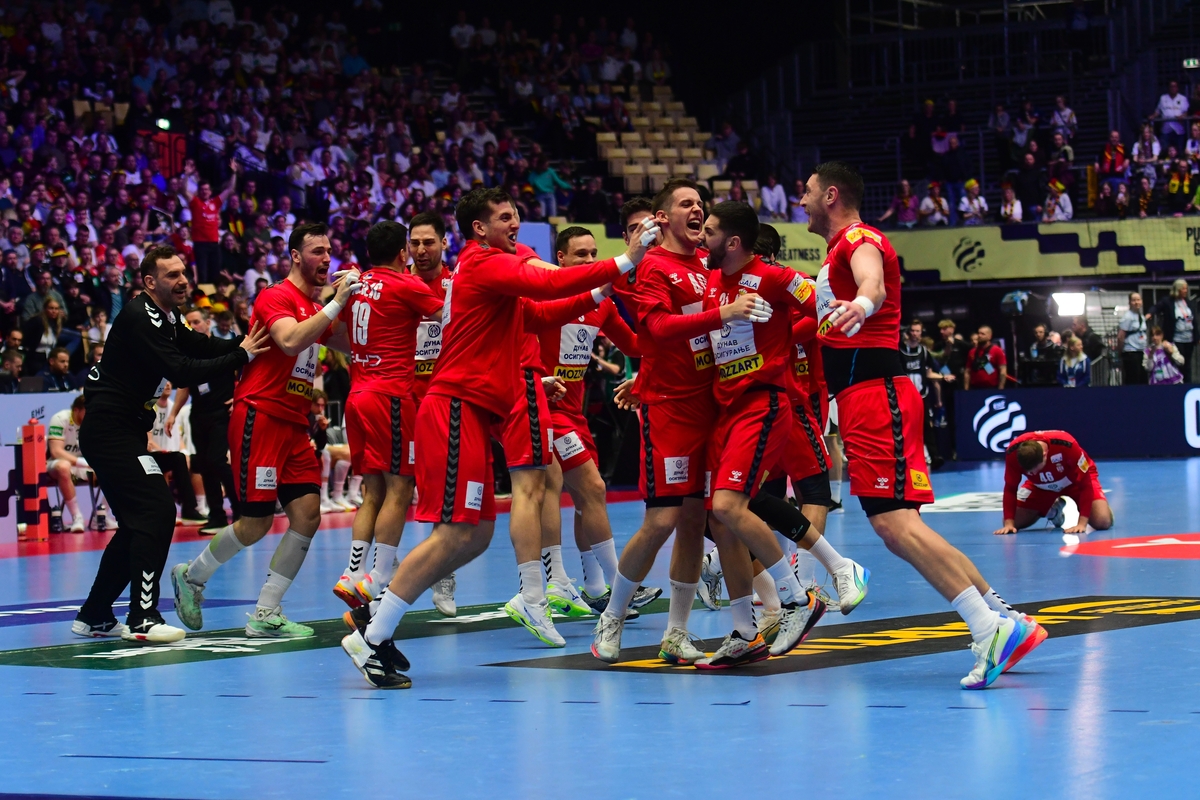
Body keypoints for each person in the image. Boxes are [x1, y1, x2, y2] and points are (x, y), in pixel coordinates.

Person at [340, 188, 659, 688]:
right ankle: (375, 629)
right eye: (506, 218)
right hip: (453, 409)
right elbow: (550, 287)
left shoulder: (489, 280)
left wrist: (601, 292)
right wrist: (627, 259)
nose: (516, 224)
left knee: (475, 534)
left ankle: (377, 619)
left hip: (469, 412)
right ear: (478, 230)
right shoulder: (485, 263)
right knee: (455, 533)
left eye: (517, 216)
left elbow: (543, 313)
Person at [799, 161, 1043, 689]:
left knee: (893, 525)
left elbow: (874, 284)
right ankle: (1008, 620)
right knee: (904, 526)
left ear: (832, 195)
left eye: (808, 191)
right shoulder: (829, 256)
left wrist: (862, 304)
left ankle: (987, 629)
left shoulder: (858, 239)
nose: (801, 200)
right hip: (871, 396)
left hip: (874, 396)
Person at [171, 222, 360, 640]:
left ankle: (266, 611)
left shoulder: (316, 306)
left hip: (294, 424)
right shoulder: (276, 296)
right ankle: (193, 576)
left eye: (329, 251)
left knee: (307, 515)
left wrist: (357, 305)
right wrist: (334, 304)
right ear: (295, 255)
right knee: (255, 523)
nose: (325, 258)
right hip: (261, 416)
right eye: (316, 250)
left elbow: (348, 342)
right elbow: (290, 341)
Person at [73, 245, 268, 644]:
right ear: (149, 282)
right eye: (171, 275)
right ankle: (143, 618)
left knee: (135, 523)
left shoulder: (166, 315)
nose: (182, 280)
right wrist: (241, 357)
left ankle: (94, 614)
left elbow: (196, 345)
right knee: (157, 510)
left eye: (183, 273)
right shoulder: (139, 315)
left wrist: (243, 342)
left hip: (123, 429)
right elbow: (180, 370)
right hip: (110, 429)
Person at [587, 180, 730, 666]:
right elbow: (657, 330)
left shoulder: (711, 267)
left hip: (711, 406)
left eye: (700, 204)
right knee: (662, 520)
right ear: (663, 219)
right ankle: (613, 615)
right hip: (670, 409)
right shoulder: (654, 267)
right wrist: (722, 316)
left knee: (694, 522)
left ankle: (677, 631)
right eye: (686, 204)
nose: (697, 210)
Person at [538, 224, 655, 618]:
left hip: (575, 411)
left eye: (593, 254)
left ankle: (593, 587)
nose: (589, 261)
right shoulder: (545, 294)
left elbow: (636, 344)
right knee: (592, 488)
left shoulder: (602, 303)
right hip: (543, 409)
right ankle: (622, 586)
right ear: (561, 260)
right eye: (580, 255)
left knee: (585, 500)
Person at [330, 221, 443, 620]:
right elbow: (447, 315)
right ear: (402, 254)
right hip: (391, 396)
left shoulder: (355, 284)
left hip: (357, 394)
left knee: (372, 490)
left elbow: (332, 330)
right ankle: (378, 577)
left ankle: (352, 572)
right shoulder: (406, 284)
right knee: (401, 486)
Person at [404, 211, 457, 615]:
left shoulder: (457, 285)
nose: (422, 250)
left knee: (444, 490)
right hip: (400, 400)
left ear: (443, 243)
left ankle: (443, 575)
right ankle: (376, 577)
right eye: (415, 243)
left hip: (444, 402)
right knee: (393, 488)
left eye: (429, 242)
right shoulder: (394, 284)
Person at [166, 306, 240, 533]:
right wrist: (173, 414)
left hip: (221, 413)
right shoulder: (187, 353)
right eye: (189, 323)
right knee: (205, 464)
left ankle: (240, 511)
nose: (194, 326)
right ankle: (216, 516)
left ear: (208, 324)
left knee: (217, 460)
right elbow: (184, 386)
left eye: (197, 321)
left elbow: (248, 372)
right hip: (198, 414)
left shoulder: (223, 347)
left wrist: (239, 397)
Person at [994, 430, 1113, 535]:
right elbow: (1010, 487)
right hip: (1040, 486)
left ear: (1045, 455)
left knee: (1102, 521)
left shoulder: (1067, 444)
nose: (1032, 474)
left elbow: (1085, 484)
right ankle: (1052, 510)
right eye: (1028, 472)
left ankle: (1101, 506)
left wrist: (1081, 524)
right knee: (1011, 521)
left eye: (1035, 470)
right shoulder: (1013, 452)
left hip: (1074, 482)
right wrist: (1009, 524)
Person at [148, 384, 205, 525]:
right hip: (149, 454)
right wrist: (163, 451)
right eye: (163, 381)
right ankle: (178, 511)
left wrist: (185, 452)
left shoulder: (173, 407)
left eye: (169, 381)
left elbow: (179, 438)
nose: (167, 384)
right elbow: (147, 441)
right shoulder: (149, 406)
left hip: (170, 454)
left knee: (193, 460)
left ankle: (200, 506)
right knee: (175, 460)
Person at [901, 320, 944, 469]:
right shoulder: (900, 350)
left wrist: (944, 376)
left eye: (917, 331)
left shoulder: (924, 352)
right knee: (904, 426)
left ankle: (934, 455)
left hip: (921, 395)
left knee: (927, 426)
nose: (915, 334)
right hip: (904, 396)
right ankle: (904, 456)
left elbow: (935, 369)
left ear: (921, 333)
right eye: (912, 331)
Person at [47, 395, 92, 532]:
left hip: (83, 465)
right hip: (55, 464)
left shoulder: (93, 423)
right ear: (77, 410)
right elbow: (56, 452)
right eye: (87, 410)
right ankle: (76, 517)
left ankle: (101, 515)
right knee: (63, 466)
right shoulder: (60, 419)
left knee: (114, 468)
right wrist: (81, 462)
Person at [1152, 278, 1197, 381]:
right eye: (1183, 289)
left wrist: (1197, 336)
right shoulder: (1168, 301)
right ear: (1178, 289)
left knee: (1187, 364)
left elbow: (1195, 321)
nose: (1186, 291)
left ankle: (1187, 384)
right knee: (1178, 362)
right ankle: (1177, 382)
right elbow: (1157, 307)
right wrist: (1150, 313)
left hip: (1189, 339)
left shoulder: (1188, 303)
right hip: (1176, 339)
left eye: (1186, 289)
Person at [963, 325, 1007, 390]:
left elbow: (1003, 370)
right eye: (978, 333)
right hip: (975, 388)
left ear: (989, 336)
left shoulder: (997, 350)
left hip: (992, 388)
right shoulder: (972, 352)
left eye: (982, 334)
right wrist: (966, 389)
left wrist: (1001, 388)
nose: (979, 336)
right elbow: (967, 372)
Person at [1117, 292, 1148, 385]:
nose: (1136, 302)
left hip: (1141, 351)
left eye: (1138, 300)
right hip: (1131, 352)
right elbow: (1120, 336)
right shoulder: (1127, 317)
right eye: (1134, 300)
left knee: (1142, 379)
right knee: (1133, 379)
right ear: (1130, 302)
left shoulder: (1141, 316)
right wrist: (1120, 352)